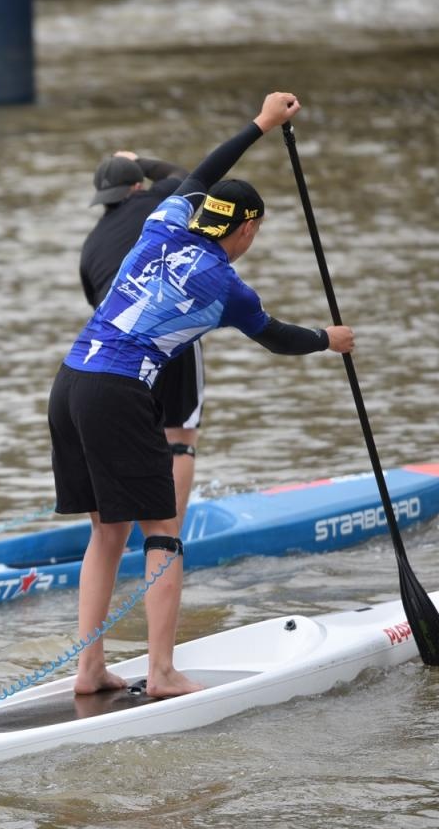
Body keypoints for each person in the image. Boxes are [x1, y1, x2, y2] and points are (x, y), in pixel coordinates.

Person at [48, 91, 354, 698]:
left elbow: (202, 173)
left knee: (106, 532)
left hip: (70, 382)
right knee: (162, 533)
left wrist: (261, 125)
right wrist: (329, 338)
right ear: (247, 227)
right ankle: (161, 674)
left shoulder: (163, 223)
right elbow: (278, 338)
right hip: (118, 392)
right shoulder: (225, 286)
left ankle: (88, 670)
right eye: (256, 229)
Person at [80, 150, 203, 530]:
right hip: (170, 332)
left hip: (112, 354)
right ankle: (170, 538)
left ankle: (122, 531)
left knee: (139, 436)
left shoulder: (90, 246)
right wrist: (142, 161)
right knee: (179, 438)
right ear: (137, 187)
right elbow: (186, 173)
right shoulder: (155, 202)